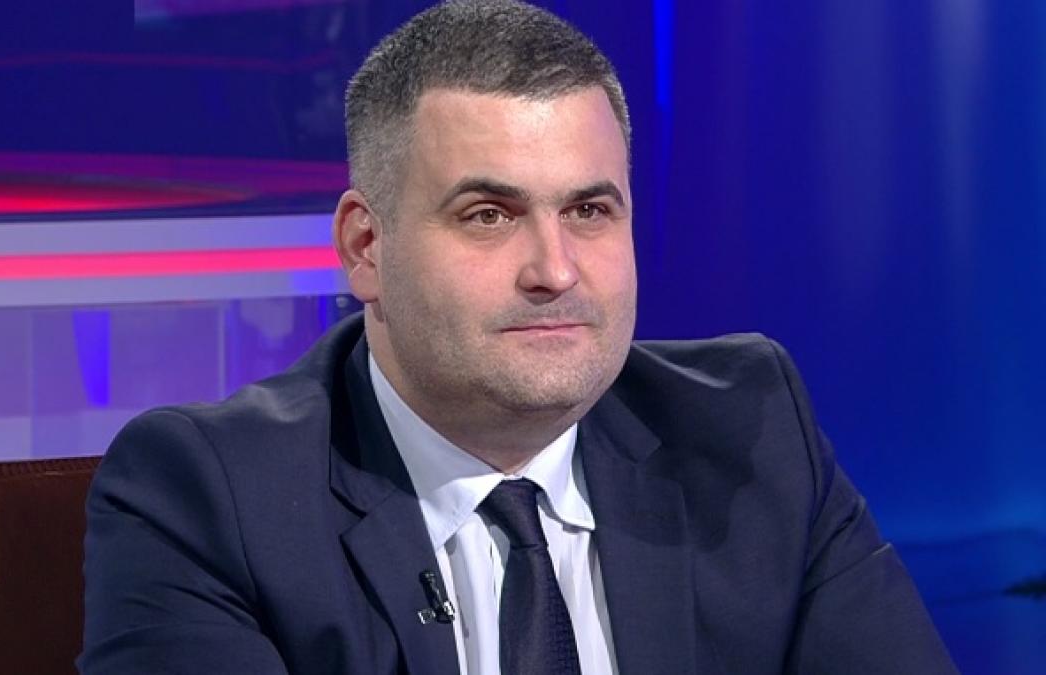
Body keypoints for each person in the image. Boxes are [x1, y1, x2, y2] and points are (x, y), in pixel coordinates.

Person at [80, 1, 957, 673]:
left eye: (590, 210)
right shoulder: (209, 497)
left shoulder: (751, 430)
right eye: (489, 214)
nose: (555, 269)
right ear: (366, 247)